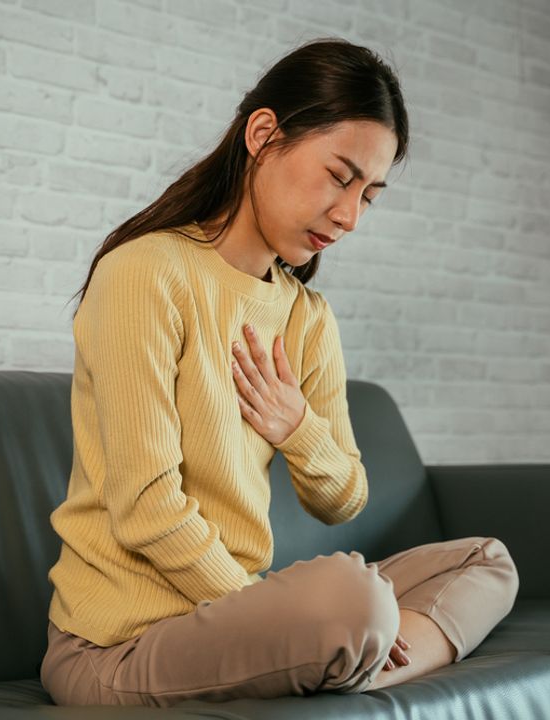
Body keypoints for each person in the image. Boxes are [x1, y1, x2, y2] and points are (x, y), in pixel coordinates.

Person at [40, 37, 519, 708]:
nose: (350, 216)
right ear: (264, 135)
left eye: (370, 196)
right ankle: (351, 648)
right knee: (350, 605)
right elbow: (147, 508)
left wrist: (298, 428)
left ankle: (357, 657)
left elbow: (343, 495)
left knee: (485, 563)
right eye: (339, 176)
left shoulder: (307, 317)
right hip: (119, 648)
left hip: (238, 621)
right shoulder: (144, 274)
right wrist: (266, 609)